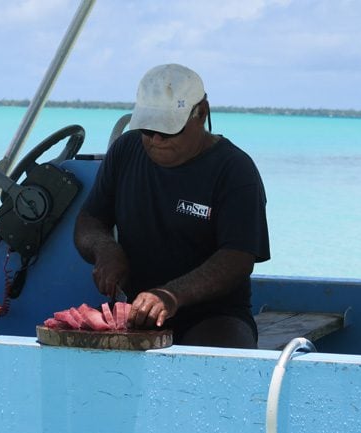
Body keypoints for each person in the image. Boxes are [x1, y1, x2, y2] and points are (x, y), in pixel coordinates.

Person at [73, 63, 270, 348]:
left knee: (213, 363)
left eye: (167, 131)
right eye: (147, 130)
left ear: (200, 113)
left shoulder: (235, 170)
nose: (155, 140)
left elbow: (238, 257)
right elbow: (90, 219)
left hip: (213, 316)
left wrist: (171, 295)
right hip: (138, 312)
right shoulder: (126, 150)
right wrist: (105, 249)